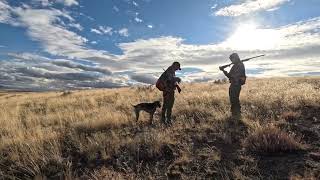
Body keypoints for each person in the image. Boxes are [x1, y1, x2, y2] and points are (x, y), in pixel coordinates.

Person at [219, 53, 246, 118]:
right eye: (231, 59)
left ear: (236, 58)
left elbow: (233, 75)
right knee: (232, 99)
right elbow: (229, 76)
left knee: (235, 100)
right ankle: (234, 114)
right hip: (233, 84)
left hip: (236, 84)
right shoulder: (235, 66)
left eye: (232, 59)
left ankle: (237, 115)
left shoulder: (240, 65)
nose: (231, 61)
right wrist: (223, 70)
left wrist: (224, 70)